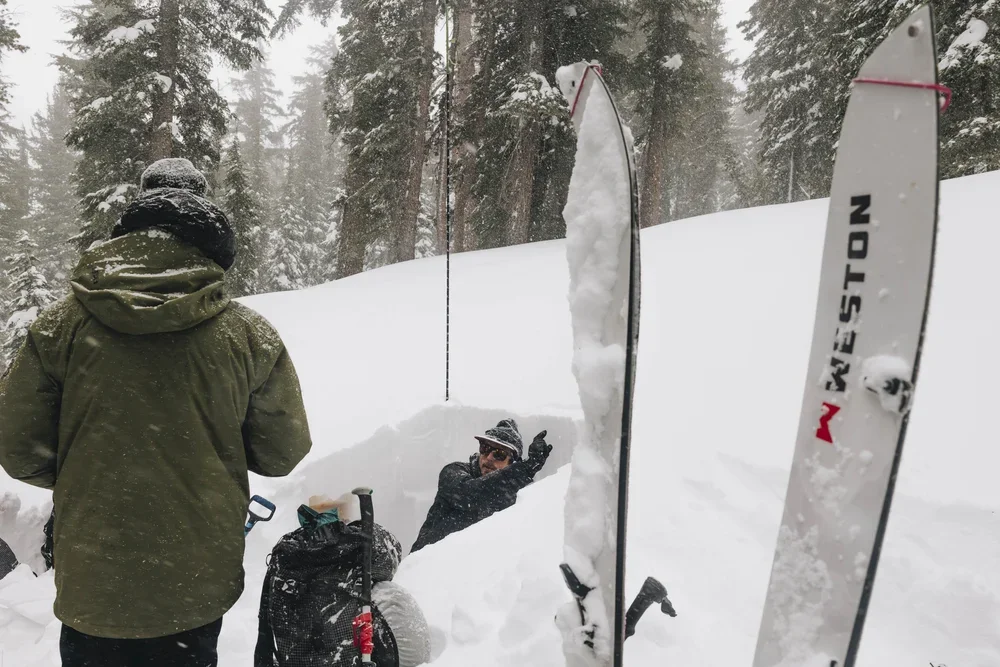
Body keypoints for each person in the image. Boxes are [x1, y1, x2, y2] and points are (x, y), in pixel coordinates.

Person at [0, 158, 313, 667]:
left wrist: (93, 470)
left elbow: (19, 452)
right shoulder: (246, 335)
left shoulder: (61, 326)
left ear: (132, 221)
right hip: (194, 578)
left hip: (94, 574)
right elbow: (281, 453)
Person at [255, 494, 431, 667]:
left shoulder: (289, 553)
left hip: (294, 657)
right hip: (349, 658)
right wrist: (357, 530)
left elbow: (265, 625)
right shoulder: (359, 545)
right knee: (384, 591)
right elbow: (390, 558)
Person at [410, 419, 552, 553]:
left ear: (512, 463)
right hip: (425, 570)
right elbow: (470, 494)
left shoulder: (518, 495)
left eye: (499, 454)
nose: (489, 458)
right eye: (485, 448)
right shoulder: (453, 472)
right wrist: (525, 469)